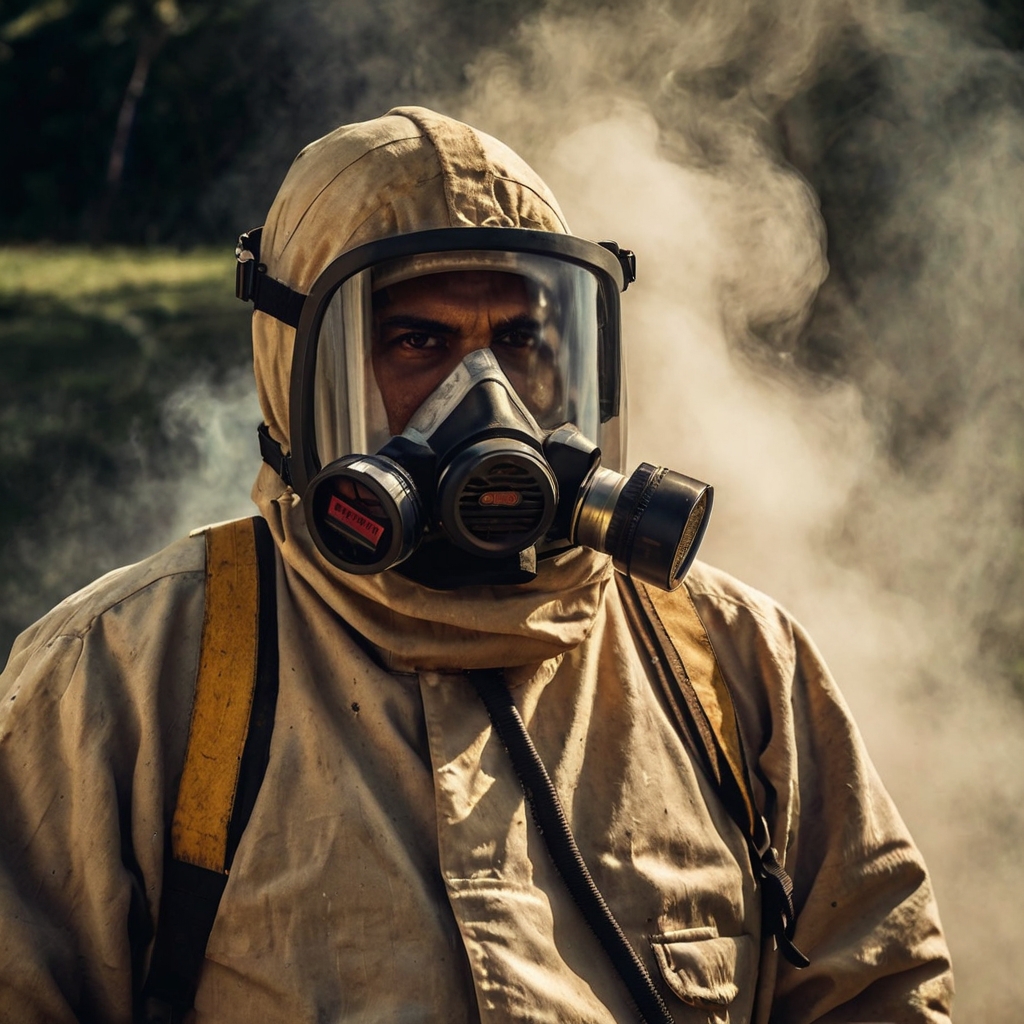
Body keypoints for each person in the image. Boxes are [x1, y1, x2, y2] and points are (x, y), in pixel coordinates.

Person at [0, 106, 952, 1024]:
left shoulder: (737, 663)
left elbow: (879, 989)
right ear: (296, 366)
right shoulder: (122, 676)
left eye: (521, 339)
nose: (486, 397)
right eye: (418, 341)